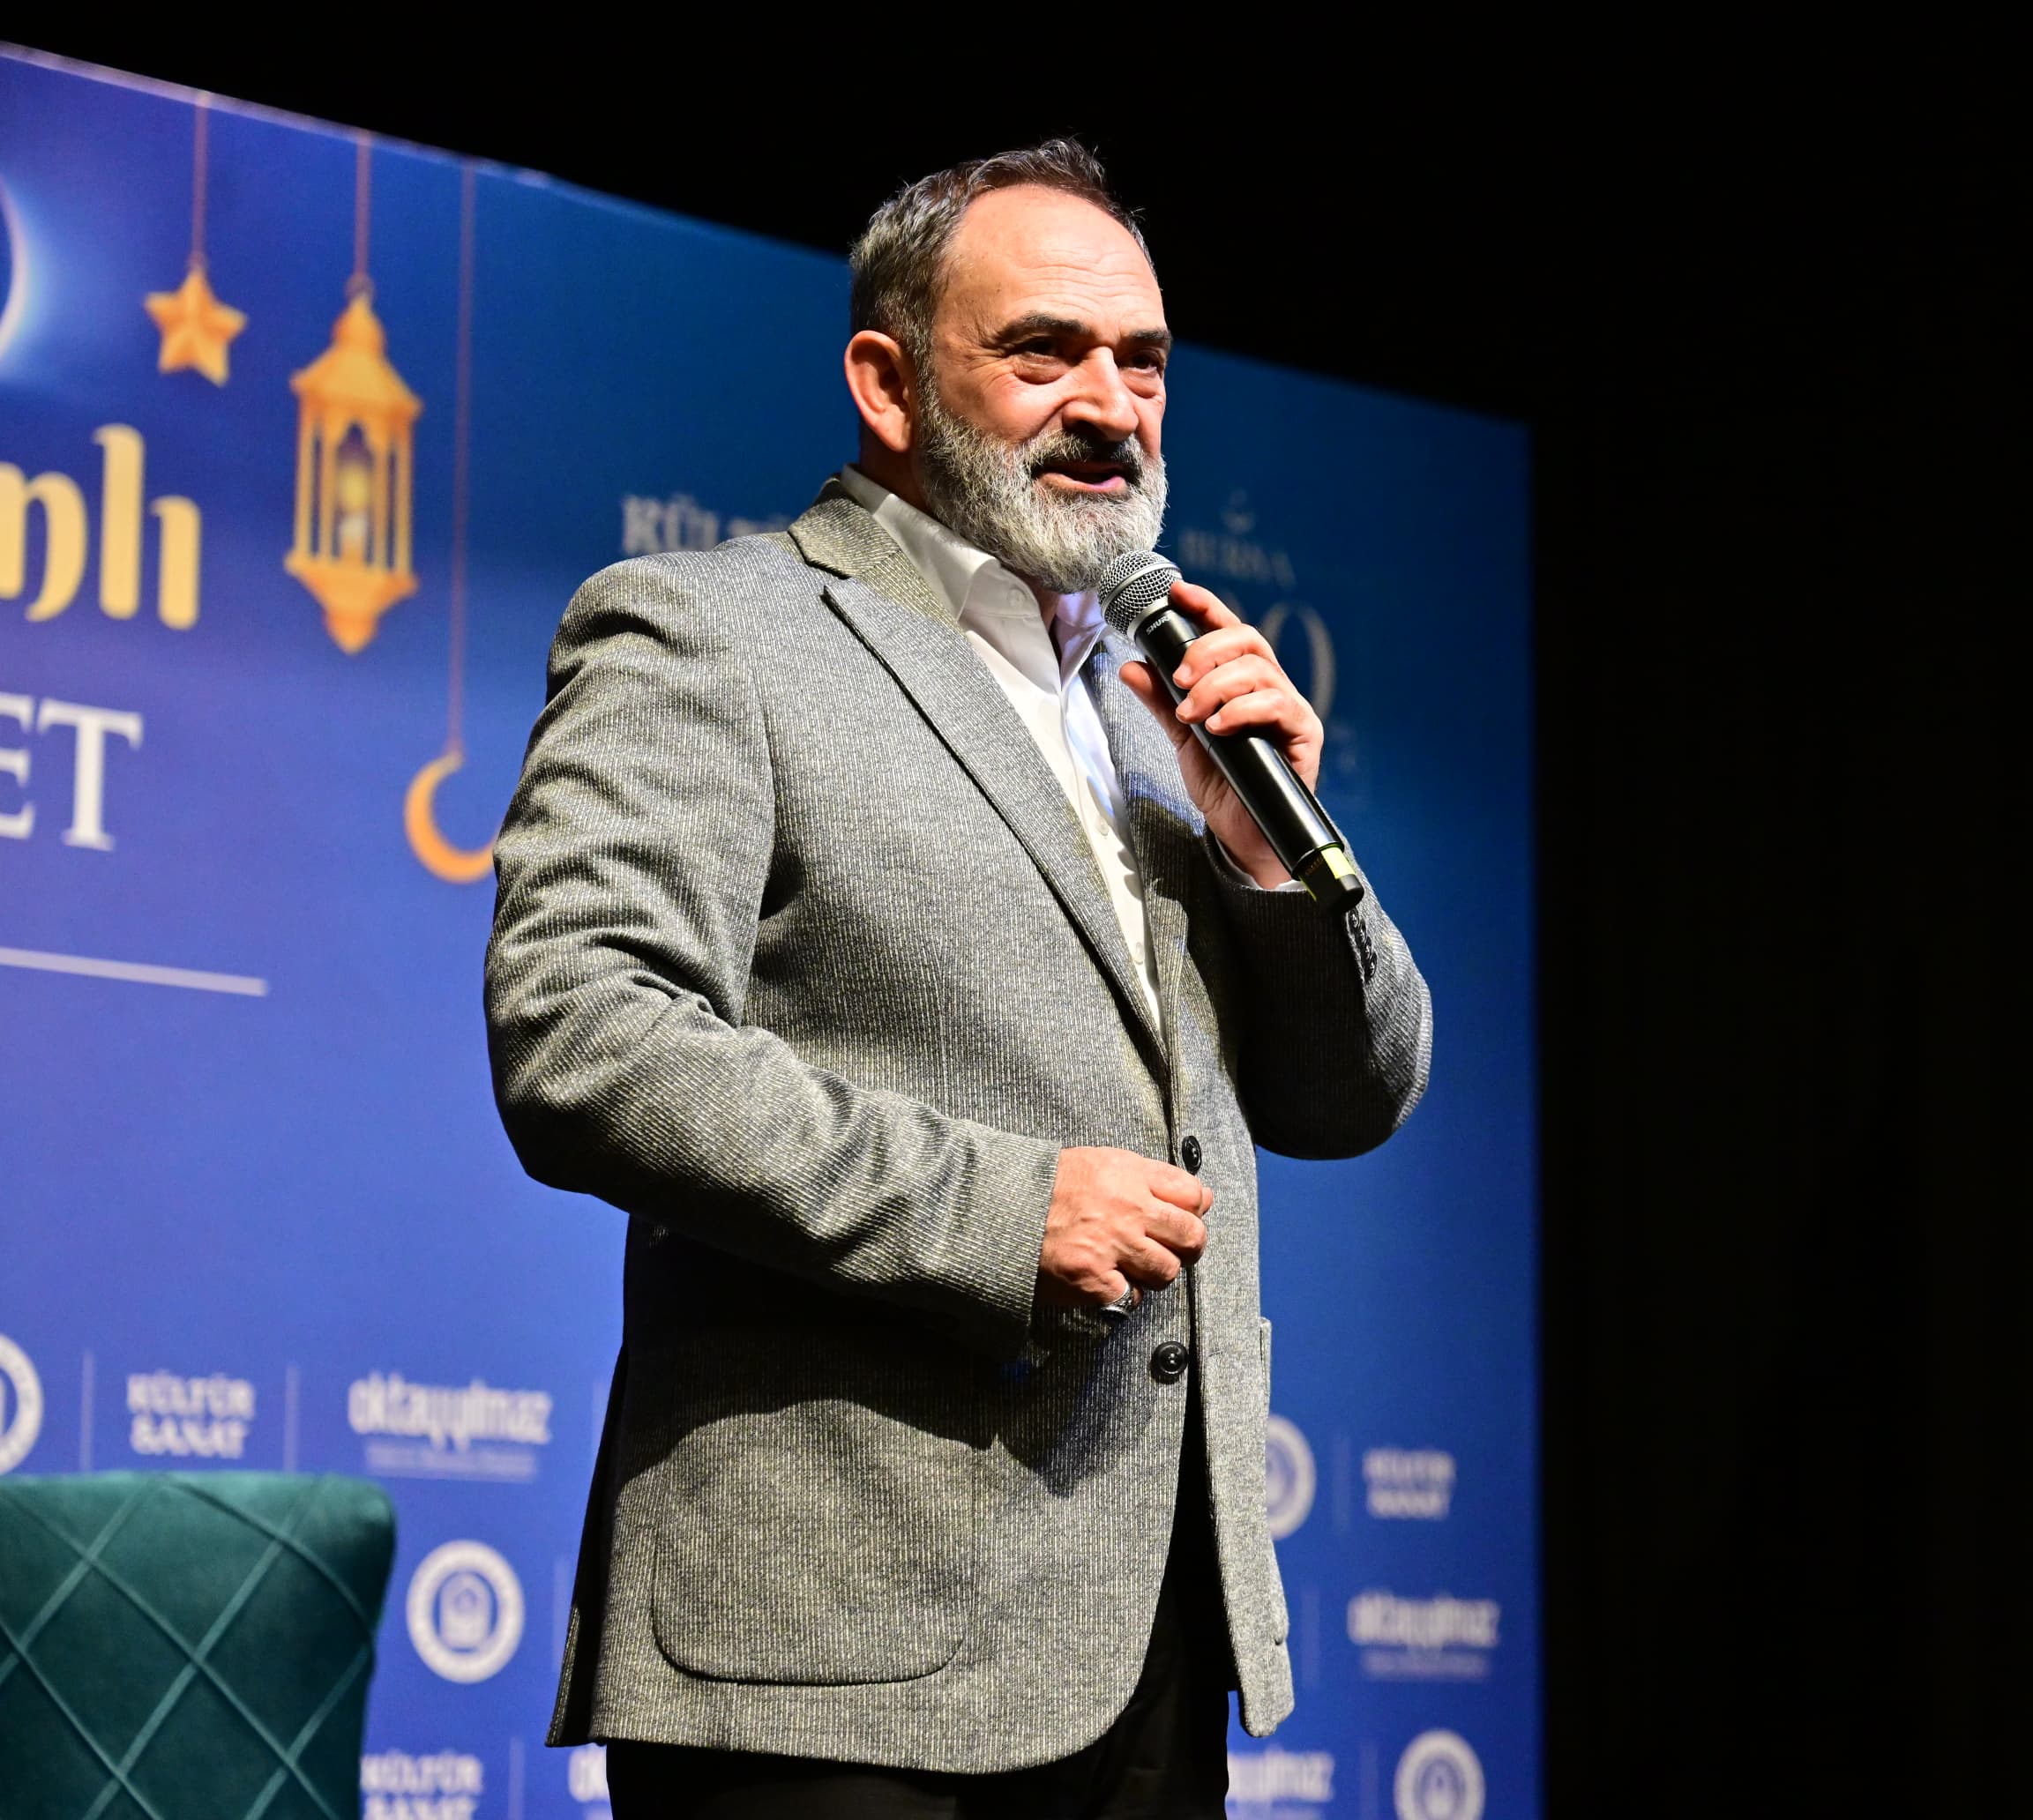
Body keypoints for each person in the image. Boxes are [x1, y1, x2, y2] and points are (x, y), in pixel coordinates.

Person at [483, 138, 1431, 1819]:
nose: (1111, 406)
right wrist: (1003, 1213)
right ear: (890, 381)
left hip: (1151, 1646)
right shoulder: (710, 630)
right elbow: (586, 1031)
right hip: (830, 1656)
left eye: (1143, 362)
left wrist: (1268, 856)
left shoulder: (1157, 705)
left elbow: (1354, 1093)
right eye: (1044, 351)